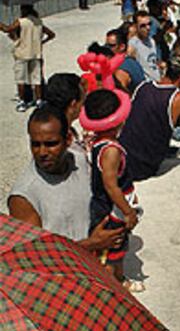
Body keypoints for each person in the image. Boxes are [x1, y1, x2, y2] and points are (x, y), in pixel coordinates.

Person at [8, 105, 123, 252]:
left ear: (68, 139)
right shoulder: (24, 196)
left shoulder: (82, 161)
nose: (42, 152)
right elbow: (35, 254)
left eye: (51, 144)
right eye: (35, 144)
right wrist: (91, 244)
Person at [80, 89, 143, 291]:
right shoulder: (111, 151)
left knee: (116, 247)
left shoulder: (98, 142)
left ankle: (119, 278)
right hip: (111, 209)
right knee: (113, 246)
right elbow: (110, 185)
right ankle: (115, 284)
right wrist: (128, 211)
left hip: (110, 204)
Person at [0, 4, 55, 112]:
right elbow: (51, 34)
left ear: (23, 10)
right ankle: (39, 100)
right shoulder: (38, 22)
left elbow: (7, 29)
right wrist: (41, 42)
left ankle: (22, 102)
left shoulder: (21, 21)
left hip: (22, 54)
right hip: (36, 54)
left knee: (21, 79)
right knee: (36, 79)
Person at [44, 73, 86, 151]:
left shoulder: (48, 131)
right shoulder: (63, 144)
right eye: (82, 101)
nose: (83, 106)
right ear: (73, 104)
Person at [105, 28, 145, 95]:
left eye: (111, 46)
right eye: (106, 45)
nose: (107, 49)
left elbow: (119, 95)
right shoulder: (131, 61)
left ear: (122, 47)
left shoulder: (121, 69)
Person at [127, 11, 161, 81]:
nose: (148, 28)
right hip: (146, 84)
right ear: (135, 26)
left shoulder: (151, 41)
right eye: (143, 26)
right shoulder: (133, 44)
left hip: (157, 80)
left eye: (149, 24)